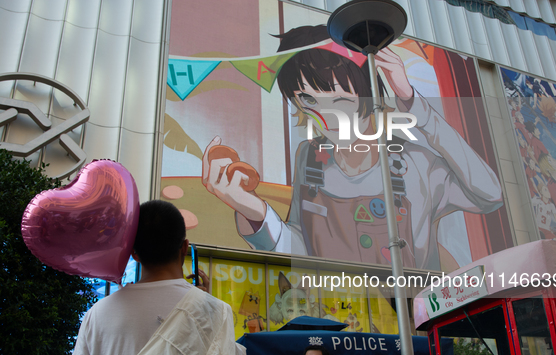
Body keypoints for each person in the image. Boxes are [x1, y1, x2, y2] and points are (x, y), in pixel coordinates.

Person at [203, 25, 502, 271]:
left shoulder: (417, 164)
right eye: (308, 100)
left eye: (341, 100)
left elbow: (490, 195)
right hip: (343, 325)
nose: (326, 118)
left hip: (414, 332)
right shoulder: (310, 159)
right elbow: (303, 249)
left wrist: (413, 102)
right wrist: (252, 209)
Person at [65, 200, 246, 355]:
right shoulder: (216, 312)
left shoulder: (97, 314)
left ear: (134, 253)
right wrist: (204, 306)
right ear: (184, 248)